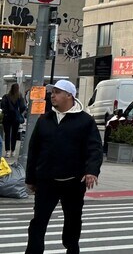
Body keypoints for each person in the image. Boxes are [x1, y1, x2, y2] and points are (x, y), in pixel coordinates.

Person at [25, 80, 103, 254]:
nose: (52, 95)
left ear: (69, 95)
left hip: (73, 182)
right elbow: (34, 150)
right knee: (38, 222)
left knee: (73, 221)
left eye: (58, 92)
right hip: (46, 182)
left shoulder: (85, 121)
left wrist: (92, 170)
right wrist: (30, 179)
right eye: (52, 92)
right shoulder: (45, 119)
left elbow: (95, 148)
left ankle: (72, 249)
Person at [1, 83, 27, 158]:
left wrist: (6, 111)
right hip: (16, 118)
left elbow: (2, 106)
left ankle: (7, 151)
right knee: (14, 135)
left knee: (7, 134)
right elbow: (23, 107)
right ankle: (13, 150)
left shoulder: (6, 96)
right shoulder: (20, 97)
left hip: (7, 117)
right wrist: (19, 113)